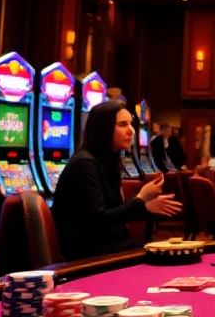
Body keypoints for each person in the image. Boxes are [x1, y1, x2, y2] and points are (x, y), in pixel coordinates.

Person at [53, 101, 181, 260]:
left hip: (101, 242)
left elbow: (113, 213)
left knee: (161, 248)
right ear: (103, 129)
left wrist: (146, 207)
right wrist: (141, 200)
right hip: (81, 249)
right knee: (156, 252)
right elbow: (98, 221)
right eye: (123, 124)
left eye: (131, 124)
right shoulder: (84, 164)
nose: (132, 131)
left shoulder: (107, 161)